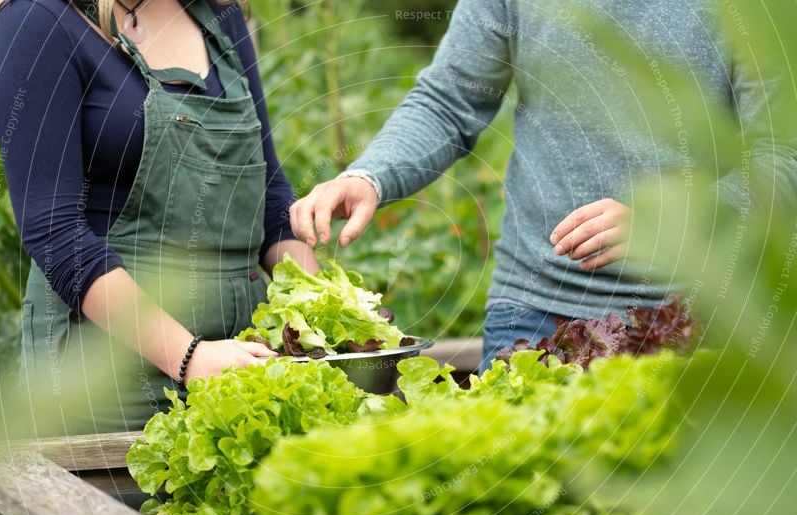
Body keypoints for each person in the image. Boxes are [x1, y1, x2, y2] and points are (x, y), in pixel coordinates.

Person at [290, 0, 797, 371]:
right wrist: (370, 174)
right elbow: (449, 101)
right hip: (533, 314)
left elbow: (782, 154)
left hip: (698, 311)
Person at [0, 0, 318, 434]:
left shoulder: (220, 17)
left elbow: (270, 196)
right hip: (106, 383)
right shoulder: (37, 20)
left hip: (242, 366)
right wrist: (191, 357)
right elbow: (53, 232)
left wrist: (319, 309)